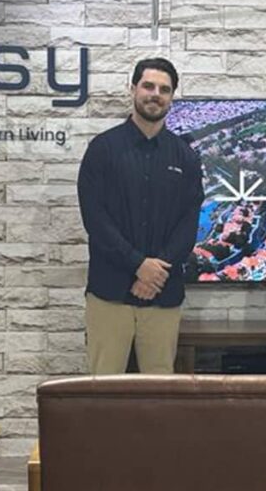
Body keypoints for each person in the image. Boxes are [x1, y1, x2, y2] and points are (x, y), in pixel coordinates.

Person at [77, 58, 205, 375]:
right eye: (148, 86)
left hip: (163, 294)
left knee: (159, 397)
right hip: (110, 294)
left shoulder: (186, 156)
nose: (155, 94)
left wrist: (155, 272)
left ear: (172, 97)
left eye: (164, 89)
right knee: (103, 391)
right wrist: (138, 264)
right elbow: (95, 219)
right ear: (133, 89)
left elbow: (189, 223)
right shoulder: (103, 149)